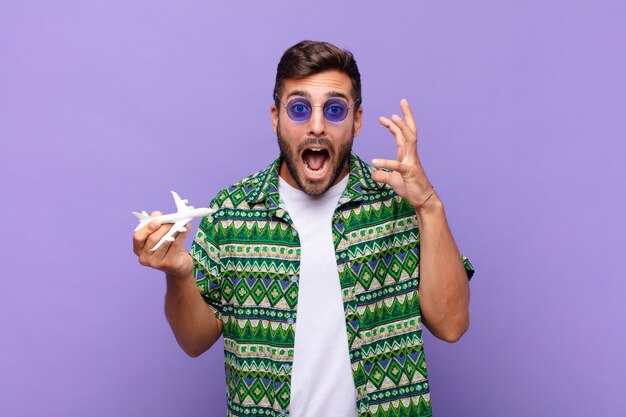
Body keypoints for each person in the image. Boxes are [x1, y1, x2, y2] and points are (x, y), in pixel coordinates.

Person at [133, 40, 474, 417]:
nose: (316, 126)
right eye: (298, 108)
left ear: (356, 120)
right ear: (275, 116)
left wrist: (428, 204)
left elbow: (451, 324)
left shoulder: (397, 204)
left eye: (334, 109)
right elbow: (195, 341)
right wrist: (180, 275)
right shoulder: (231, 212)